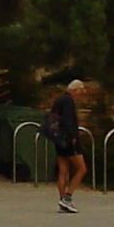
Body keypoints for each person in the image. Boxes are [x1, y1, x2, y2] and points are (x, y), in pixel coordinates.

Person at [45, 79, 89, 214]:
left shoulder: (59, 100)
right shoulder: (68, 101)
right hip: (68, 139)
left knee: (63, 169)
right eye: (80, 92)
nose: (81, 95)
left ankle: (62, 199)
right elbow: (68, 120)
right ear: (75, 90)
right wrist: (73, 136)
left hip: (58, 138)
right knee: (82, 168)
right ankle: (67, 198)